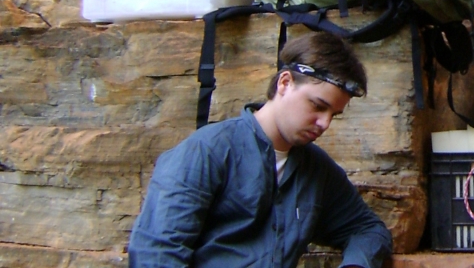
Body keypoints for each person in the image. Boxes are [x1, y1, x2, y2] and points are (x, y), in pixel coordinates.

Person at [128, 32, 392, 268]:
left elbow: (368, 229)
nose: (325, 123)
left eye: (334, 114)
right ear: (285, 83)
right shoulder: (207, 151)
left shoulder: (317, 170)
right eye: (317, 106)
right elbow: (156, 253)